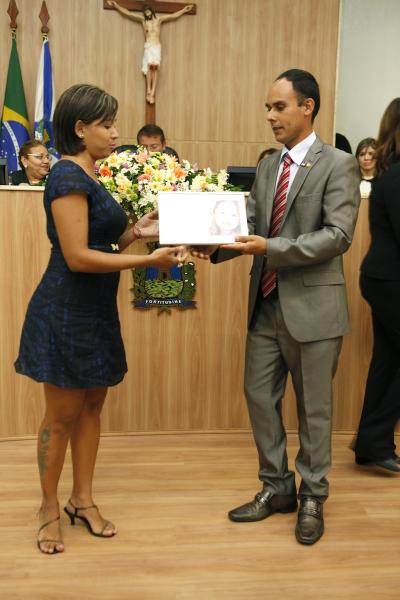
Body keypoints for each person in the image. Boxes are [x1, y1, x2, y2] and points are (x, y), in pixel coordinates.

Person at [14, 83, 186, 555]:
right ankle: (48, 508)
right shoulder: (66, 176)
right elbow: (77, 257)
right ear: (79, 128)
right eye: (106, 125)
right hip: (66, 310)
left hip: (94, 309)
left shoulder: (90, 172)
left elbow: (101, 244)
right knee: (61, 417)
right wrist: (149, 260)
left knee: (92, 407)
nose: (114, 133)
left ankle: (82, 500)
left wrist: (135, 231)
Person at [193, 69, 360, 545]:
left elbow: (338, 236)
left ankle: (313, 495)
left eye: (279, 106)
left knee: (314, 409)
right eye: (268, 107)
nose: (269, 115)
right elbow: (248, 225)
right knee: (259, 399)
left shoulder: (339, 164)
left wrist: (270, 248)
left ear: (308, 107)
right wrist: (211, 244)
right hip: (265, 306)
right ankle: (277, 487)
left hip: (315, 310)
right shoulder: (269, 167)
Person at [353, 99, 400, 473]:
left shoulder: (389, 173)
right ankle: (375, 441)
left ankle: (370, 443)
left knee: (388, 359)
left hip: (385, 279)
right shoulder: (396, 175)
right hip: (391, 281)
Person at [108, 1, 193, 104]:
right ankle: (148, 89)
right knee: (148, 67)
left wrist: (184, 10)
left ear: (151, 11)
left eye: (148, 12)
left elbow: (172, 16)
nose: (147, 14)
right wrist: (117, 6)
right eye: (145, 13)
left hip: (156, 46)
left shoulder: (159, 20)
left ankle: (152, 92)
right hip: (148, 45)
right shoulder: (144, 21)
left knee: (155, 69)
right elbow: (129, 14)